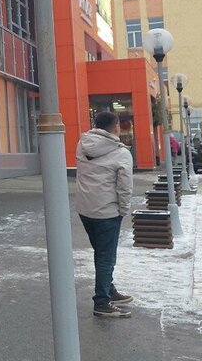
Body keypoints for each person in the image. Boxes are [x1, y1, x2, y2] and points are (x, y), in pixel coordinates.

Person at [75, 111, 135, 318]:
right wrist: (123, 210)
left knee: (101, 253)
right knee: (106, 257)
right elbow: (125, 186)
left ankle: (109, 290)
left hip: (85, 209)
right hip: (107, 212)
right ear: (116, 126)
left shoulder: (82, 145)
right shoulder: (121, 153)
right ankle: (101, 301)